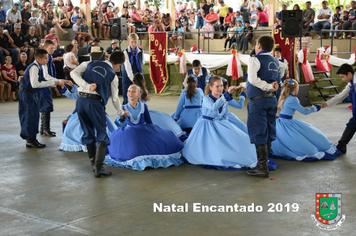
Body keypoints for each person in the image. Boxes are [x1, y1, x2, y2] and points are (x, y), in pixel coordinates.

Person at [182, 76, 258, 169]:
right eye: (217, 86)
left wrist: (242, 93)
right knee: (216, 151)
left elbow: (226, 115)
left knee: (244, 140)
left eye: (221, 86)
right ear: (211, 87)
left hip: (220, 125)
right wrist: (226, 95)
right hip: (206, 127)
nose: (220, 88)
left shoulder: (224, 99)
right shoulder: (206, 99)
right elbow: (214, 107)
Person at [70, 50, 125, 178]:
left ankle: (93, 164)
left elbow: (73, 73)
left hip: (80, 101)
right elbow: (115, 99)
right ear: (119, 64)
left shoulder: (89, 63)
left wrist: (85, 85)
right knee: (102, 133)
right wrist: (121, 112)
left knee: (87, 131)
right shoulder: (113, 76)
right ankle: (99, 168)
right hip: (94, 104)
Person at [106, 84, 184, 171]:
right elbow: (120, 122)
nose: (130, 93)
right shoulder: (123, 108)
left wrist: (154, 133)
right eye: (129, 91)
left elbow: (149, 122)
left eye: (133, 91)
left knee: (167, 136)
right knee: (131, 146)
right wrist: (122, 117)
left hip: (143, 130)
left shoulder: (143, 106)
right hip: (129, 132)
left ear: (138, 94)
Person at [272, 79, 340, 161]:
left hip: (279, 123)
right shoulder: (293, 99)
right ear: (296, 89)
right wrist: (316, 107)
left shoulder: (283, 97)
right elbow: (304, 111)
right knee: (312, 136)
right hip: (287, 123)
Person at [246, 35, 280, 178]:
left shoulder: (255, 59)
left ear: (259, 45)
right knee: (269, 130)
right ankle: (264, 163)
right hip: (271, 101)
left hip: (258, 101)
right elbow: (277, 83)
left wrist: (267, 87)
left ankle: (262, 167)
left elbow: (252, 79)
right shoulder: (275, 61)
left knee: (259, 131)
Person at [18, 49, 64, 148]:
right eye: (45, 58)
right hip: (27, 94)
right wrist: (53, 83)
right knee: (28, 116)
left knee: (34, 116)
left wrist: (59, 81)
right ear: (38, 58)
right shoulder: (34, 67)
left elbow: (46, 77)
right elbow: (35, 84)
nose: (47, 60)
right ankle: (29, 139)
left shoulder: (40, 66)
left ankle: (33, 138)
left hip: (31, 94)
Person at [59, 82, 118, 152]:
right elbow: (72, 95)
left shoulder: (99, 91)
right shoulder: (83, 90)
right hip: (81, 112)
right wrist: (66, 87)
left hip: (95, 112)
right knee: (71, 127)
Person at [321, 64, 356, 154]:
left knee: (352, 124)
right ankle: (342, 145)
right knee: (353, 124)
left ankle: (341, 145)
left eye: (343, 77)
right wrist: (327, 103)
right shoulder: (351, 84)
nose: (342, 80)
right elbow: (341, 96)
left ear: (349, 74)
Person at [38, 39, 57, 137]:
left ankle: (43, 129)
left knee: (47, 106)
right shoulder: (45, 59)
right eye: (50, 48)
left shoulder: (49, 57)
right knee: (46, 106)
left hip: (48, 84)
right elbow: (46, 74)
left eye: (53, 48)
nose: (53, 49)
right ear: (45, 48)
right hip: (44, 85)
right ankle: (45, 129)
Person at [122, 33, 144, 105]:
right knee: (127, 95)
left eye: (135, 42)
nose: (134, 44)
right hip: (127, 77)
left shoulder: (141, 51)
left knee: (138, 95)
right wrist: (133, 79)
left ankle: (137, 110)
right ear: (128, 41)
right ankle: (125, 112)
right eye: (132, 42)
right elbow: (128, 67)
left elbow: (142, 62)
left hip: (138, 76)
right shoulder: (125, 52)